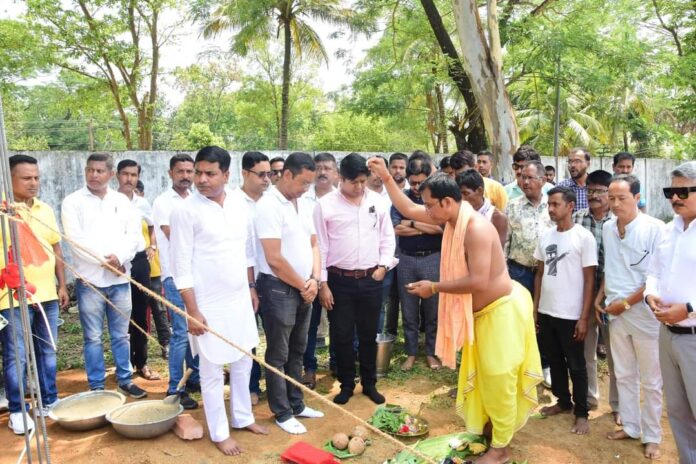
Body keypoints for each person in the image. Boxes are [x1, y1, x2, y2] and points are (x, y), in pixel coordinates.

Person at [368, 158, 542, 464]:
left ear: (447, 201)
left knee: (499, 377)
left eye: (431, 206)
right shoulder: (450, 217)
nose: (427, 213)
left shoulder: (475, 228)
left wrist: (434, 287)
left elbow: (478, 279)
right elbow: (408, 210)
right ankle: (491, 431)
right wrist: (385, 177)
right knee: (486, 378)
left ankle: (501, 449)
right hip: (483, 314)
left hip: (501, 312)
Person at [169, 146, 268, 456]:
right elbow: (180, 266)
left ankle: (242, 417)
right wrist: (192, 310)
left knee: (242, 360)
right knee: (211, 370)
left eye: (209, 173)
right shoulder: (185, 211)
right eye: (198, 172)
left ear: (226, 175)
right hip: (207, 303)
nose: (201, 179)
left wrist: (251, 287)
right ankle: (220, 432)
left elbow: (248, 252)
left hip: (239, 297)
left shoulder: (240, 206)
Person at [61, 153, 145, 398]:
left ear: (110, 174)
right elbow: (75, 241)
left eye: (100, 171)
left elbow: (135, 238)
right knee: (93, 337)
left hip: (120, 280)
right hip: (90, 281)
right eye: (90, 170)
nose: (94, 175)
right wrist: (104, 262)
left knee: (121, 334)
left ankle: (125, 379)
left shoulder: (122, 201)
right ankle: (97, 386)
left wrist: (120, 258)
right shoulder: (72, 202)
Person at [315, 153, 396, 404]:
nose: (359, 187)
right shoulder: (325, 205)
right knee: (341, 335)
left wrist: (383, 267)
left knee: (369, 333)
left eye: (363, 181)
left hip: (371, 278)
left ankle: (369, 383)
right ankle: (347, 384)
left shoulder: (378, 202)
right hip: (339, 281)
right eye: (354, 182)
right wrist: (323, 283)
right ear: (341, 177)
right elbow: (320, 245)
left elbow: (387, 237)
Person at [255, 152, 324, 435]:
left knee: (298, 349)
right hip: (278, 289)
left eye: (309, 184)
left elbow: (314, 244)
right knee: (278, 353)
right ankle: (282, 411)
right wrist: (303, 285)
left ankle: (297, 404)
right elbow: (274, 259)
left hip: (304, 287)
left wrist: (315, 279)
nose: (306, 188)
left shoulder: (304, 203)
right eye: (303, 182)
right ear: (286, 175)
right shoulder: (268, 206)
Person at [597, 174, 663, 459]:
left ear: (637, 198)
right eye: (611, 198)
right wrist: (602, 296)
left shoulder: (655, 229)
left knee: (651, 379)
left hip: (644, 313)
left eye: (622, 198)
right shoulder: (608, 228)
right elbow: (610, 268)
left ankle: (653, 436)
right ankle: (631, 426)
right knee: (623, 373)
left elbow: (654, 278)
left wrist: (624, 303)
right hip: (615, 310)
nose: (615, 204)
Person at [1, 155, 68, 434]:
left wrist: (62, 285)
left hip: (47, 294)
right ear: (9, 179)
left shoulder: (45, 209)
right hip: (12, 296)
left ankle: (48, 400)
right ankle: (18, 409)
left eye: (36, 177)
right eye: (26, 178)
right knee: (17, 353)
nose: (33, 183)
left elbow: (56, 249)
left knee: (47, 350)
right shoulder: (3, 211)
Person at [534, 186, 597, 435]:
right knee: (554, 360)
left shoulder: (583, 238)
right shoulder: (546, 236)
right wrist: (535, 308)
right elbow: (539, 273)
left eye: (555, 204)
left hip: (571, 314)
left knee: (576, 365)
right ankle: (562, 401)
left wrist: (583, 317)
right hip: (548, 311)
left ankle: (581, 413)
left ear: (570, 206)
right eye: (549, 204)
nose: (550, 209)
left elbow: (590, 280)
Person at [645, 161, 696, 464]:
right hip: (667, 335)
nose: (675, 198)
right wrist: (651, 295)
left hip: (693, 335)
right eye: (670, 191)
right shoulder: (668, 230)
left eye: (683, 191)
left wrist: (689, 309)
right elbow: (654, 272)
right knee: (678, 411)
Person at [152, 154, 199, 410]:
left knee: (196, 332)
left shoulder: (197, 200)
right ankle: (175, 387)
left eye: (189, 171)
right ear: (170, 173)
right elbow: (177, 236)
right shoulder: (163, 202)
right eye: (180, 171)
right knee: (181, 333)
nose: (185, 176)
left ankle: (194, 378)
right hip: (175, 276)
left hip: (197, 275)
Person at [573, 170, 619, 421]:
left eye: (600, 191)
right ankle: (590, 398)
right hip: (585, 296)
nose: (593, 195)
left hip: (613, 297)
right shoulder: (577, 219)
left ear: (609, 193)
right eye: (589, 190)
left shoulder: (619, 221)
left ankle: (618, 405)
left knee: (616, 354)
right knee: (586, 351)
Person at [390, 157, 442, 371]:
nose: (417, 187)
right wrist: (423, 226)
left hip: (432, 257)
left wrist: (410, 222)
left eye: (421, 182)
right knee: (409, 308)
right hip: (407, 259)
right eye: (413, 182)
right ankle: (411, 352)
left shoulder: (437, 198)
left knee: (432, 309)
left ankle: (431, 352)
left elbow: (441, 229)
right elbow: (397, 228)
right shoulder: (401, 199)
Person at [505, 160, 554, 387]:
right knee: (521, 318)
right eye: (522, 177)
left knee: (544, 319)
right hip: (520, 272)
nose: (524, 182)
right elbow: (506, 241)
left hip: (548, 274)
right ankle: (519, 365)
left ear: (543, 180)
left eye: (530, 178)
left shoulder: (554, 204)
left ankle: (544, 366)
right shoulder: (512, 206)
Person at [116, 160, 161, 381]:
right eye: (125, 174)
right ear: (117, 176)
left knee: (141, 313)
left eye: (133, 175)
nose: (129, 179)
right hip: (115, 264)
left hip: (140, 261)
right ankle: (122, 366)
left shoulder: (142, 203)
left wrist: (152, 246)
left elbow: (152, 227)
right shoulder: (109, 202)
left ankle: (141, 363)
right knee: (119, 317)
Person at [234, 151, 272, 405]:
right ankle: (250, 386)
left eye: (270, 174)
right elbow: (243, 249)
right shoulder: (232, 203)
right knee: (247, 337)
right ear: (245, 173)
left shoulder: (271, 202)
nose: (267, 179)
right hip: (243, 282)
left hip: (272, 279)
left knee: (276, 336)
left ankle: (277, 385)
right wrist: (249, 285)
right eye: (261, 174)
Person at [301, 152, 338, 389]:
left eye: (327, 168)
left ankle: (338, 362)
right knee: (309, 324)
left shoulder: (342, 200)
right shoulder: (301, 200)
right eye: (319, 168)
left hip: (338, 271)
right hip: (310, 272)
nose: (323, 172)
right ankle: (309, 368)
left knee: (341, 321)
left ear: (336, 173)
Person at [134, 180, 170, 360]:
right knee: (138, 312)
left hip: (153, 268)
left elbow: (153, 230)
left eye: (136, 192)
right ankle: (140, 353)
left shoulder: (146, 211)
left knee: (159, 308)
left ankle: (166, 343)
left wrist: (153, 246)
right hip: (133, 269)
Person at [456, 169, 508, 247]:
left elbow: (498, 251)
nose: (462, 199)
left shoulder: (497, 217)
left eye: (466, 193)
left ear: (480, 191)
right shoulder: (458, 214)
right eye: (459, 194)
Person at [557, 147, 590, 212]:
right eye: (570, 161)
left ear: (588, 164)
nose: (572, 165)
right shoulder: (561, 188)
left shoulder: (596, 187)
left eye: (577, 161)